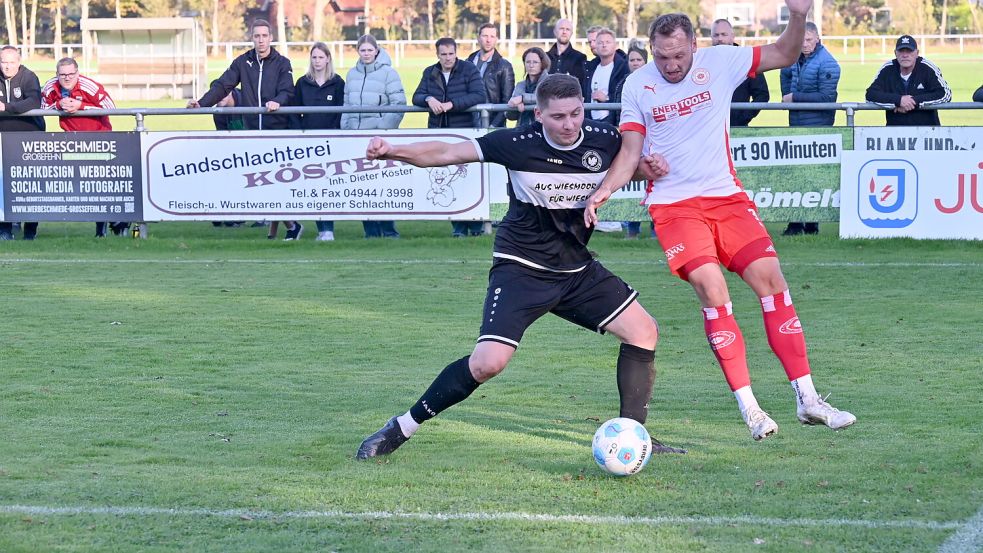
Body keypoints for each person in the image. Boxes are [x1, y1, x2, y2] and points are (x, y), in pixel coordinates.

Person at [356, 73, 685, 460]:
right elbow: (445, 153)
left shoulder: (604, 138)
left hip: (576, 270)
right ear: (538, 114)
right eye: (558, 116)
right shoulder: (516, 142)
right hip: (522, 268)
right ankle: (400, 428)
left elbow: (633, 167)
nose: (569, 124)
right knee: (487, 364)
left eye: (576, 113)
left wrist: (652, 167)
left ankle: (634, 436)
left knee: (644, 332)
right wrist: (393, 151)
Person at [585, 6, 856, 442]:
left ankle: (808, 399)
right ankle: (750, 408)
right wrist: (604, 190)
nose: (671, 66)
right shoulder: (637, 84)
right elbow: (631, 152)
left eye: (678, 55)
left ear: (695, 45)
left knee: (773, 282)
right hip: (674, 207)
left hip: (726, 198)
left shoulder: (722, 60)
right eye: (661, 56)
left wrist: (799, 14)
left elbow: (786, 53)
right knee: (714, 290)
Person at [189, 19, 299, 239]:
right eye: (257, 36)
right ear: (252, 38)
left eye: (264, 36)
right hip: (251, 132)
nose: (261, 40)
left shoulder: (282, 63)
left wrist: (277, 101)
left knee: (274, 182)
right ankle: (287, 228)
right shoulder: (242, 62)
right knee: (261, 182)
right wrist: (202, 103)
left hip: (276, 131)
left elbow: (288, 91)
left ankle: (289, 226)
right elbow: (222, 85)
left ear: (271, 37)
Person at [412, 37, 487, 237]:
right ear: (437, 54)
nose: (448, 58)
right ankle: (458, 228)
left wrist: (451, 104)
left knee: (467, 179)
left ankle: (477, 226)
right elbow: (416, 96)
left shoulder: (469, 69)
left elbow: (479, 95)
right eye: (443, 54)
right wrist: (429, 99)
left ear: (456, 52)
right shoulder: (430, 72)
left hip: (465, 132)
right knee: (448, 180)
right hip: (439, 133)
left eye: (451, 54)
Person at [41, 57, 120, 238]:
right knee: (79, 186)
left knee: (99, 187)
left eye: (71, 74)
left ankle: (104, 227)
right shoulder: (50, 86)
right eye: (63, 75)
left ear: (77, 72)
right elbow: (41, 107)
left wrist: (81, 106)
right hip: (72, 142)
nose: (67, 78)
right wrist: (58, 105)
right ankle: (114, 221)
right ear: (57, 74)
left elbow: (112, 108)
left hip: (99, 140)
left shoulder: (89, 86)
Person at [779, 21, 839, 236]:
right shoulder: (793, 58)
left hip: (818, 127)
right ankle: (797, 224)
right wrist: (787, 94)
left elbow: (827, 97)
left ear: (817, 39)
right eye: (801, 40)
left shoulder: (829, 63)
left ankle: (811, 224)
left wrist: (794, 98)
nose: (804, 44)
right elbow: (785, 73)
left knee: (813, 176)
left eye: (809, 40)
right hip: (796, 124)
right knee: (796, 174)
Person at [342, 34, 404, 239]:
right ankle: (370, 232)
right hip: (357, 138)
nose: (367, 53)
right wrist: (347, 131)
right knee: (362, 186)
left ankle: (389, 231)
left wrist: (382, 129)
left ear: (377, 51)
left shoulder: (389, 74)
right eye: (363, 50)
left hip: (380, 140)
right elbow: (346, 106)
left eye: (370, 50)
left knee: (382, 185)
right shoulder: (351, 74)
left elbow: (398, 105)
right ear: (358, 51)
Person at [292, 42, 345, 241]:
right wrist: (300, 134)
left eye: (321, 57)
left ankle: (329, 229)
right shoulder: (303, 82)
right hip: (308, 144)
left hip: (331, 143)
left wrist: (335, 134)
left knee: (328, 187)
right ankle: (321, 229)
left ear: (328, 59)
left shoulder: (338, 83)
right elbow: (295, 112)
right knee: (313, 188)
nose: (317, 61)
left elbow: (342, 112)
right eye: (314, 57)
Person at [0, 45, 44, 240]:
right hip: (3, 141)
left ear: (18, 62)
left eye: (11, 62)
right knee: (3, 186)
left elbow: (34, 102)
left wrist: (6, 107)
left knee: (30, 185)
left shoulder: (29, 77)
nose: (7, 67)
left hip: (28, 140)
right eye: (3, 62)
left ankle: (30, 231)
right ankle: (5, 229)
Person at [611, 40, 653, 240]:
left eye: (639, 59)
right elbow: (616, 110)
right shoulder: (623, 83)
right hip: (630, 137)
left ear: (646, 61)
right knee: (632, 183)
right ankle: (632, 228)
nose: (635, 63)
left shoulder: (654, 81)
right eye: (632, 59)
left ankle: (656, 229)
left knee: (654, 180)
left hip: (652, 138)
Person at [864, 35, 951, 127]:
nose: (905, 55)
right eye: (901, 51)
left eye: (909, 51)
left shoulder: (927, 68)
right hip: (895, 135)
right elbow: (870, 95)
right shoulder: (887, 69)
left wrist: (914, 101)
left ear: (917, 53)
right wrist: (898, 101)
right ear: (895, 53)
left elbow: (945, 94)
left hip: (927, 135)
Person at [711, 19, 770, 127]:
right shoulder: (705, 61)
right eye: (716, 35)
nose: (720, 38)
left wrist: (742, 118)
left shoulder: (747, 59)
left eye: (724, 34)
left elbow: (762, 95)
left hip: (737, 128)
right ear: (711, 38)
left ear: (732, 36)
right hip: (711, 131)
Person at [466, 23, 515, 128]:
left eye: (492, 36)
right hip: (468, 125)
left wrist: (493, 126)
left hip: (493, 126)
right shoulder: (467, 63)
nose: (488, 40)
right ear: (478, 38)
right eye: (485, 36)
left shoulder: (504, 66)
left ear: (496, 39)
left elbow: (507, 102)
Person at [583, 28, 629, 126]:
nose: (604, 45)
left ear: (615, 45)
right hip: (591, 121)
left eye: (608, 42)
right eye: (600, 42)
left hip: (613, 122)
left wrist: (606, 98)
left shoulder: (623, 67)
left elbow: (626, 96)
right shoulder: (590, 68)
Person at [506, 47, 550, 128]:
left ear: (542, 63)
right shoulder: (520, 85)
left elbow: (545, 98)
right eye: (528, 62)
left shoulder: (550, 81)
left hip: (543, 129)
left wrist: (522, 99)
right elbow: (510, 116)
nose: (531, 65)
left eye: (535, 62)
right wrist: (515, 106)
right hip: (522, 130)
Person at [547, 18, 587, 86]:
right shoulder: (545, 57)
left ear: (571, 33)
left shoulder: (580, 58)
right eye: (561, 28)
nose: (564, 32)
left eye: (568, 29)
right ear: (555, 31)